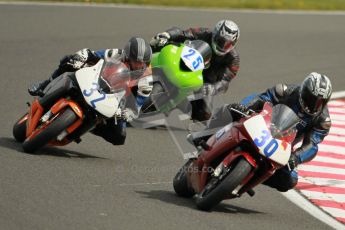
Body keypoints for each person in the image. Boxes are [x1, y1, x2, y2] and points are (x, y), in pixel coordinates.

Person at [199, 72, 332, 192]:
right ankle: (203, 137)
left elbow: (312, 145)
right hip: (262, 123)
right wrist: (245, 108)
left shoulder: (322, 121)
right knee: (230, 109)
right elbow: (261, 98)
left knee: (290, 181)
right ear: (303, 90)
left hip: (283, 143)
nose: (314, 104)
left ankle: (251, 177)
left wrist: (296, 157)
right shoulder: (285, 91)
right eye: (311, 98)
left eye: (320, 102)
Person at [28, 37, 153, 145]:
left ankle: (91, 126)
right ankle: (44, 84)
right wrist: (81, 56)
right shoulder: (116, 53)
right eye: (135, 62)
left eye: (141, 64)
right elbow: (94, 54)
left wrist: (128, 113)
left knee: (119, 137)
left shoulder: (147, 81)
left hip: (118, 100)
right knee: (69, 61)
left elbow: (137, 106)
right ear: (126, 55)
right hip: (98, 80)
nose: (138, 66)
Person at [149, 20, 240, 121]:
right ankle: (139, 64)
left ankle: (179, 104)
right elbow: (183, 33)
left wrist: (214, 88)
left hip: (204, 82)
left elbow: (225, 82)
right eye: (220, 41)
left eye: (228, 44)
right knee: (159, 43)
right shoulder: (204, 33)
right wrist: (167, 34)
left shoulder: (233, 59)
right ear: (215, 34)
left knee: (205, 115)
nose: (223, 46)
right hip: (186, 63)